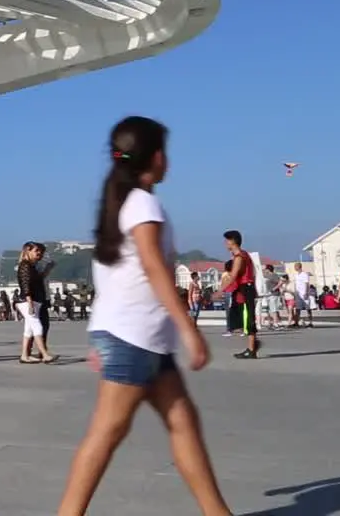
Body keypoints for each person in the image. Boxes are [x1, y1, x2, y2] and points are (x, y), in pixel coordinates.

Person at [58, 116, 229, 516]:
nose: (168, 160)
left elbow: (114, 276)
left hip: (138, 337)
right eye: (165, 152)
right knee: (106, 433)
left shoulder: (121, 202)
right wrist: (191, 331)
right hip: (134, 338)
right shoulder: (142, 203)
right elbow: (153, 268)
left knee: (182, 421)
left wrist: (100, 336)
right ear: (155, 157)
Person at [16, 242, 58, 364]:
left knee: (29, 329)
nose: (39, 254)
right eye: (36, 251)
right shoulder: (25, 266)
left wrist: (48, 268)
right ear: (27, 251)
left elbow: (39, 279)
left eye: (41, 252)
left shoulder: (31, 266)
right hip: (28, 301)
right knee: (37, 326)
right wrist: (29, 302)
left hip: (35, 300)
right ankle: (45, 354)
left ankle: (25, 355)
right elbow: (25, 285)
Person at [222, 230, 260, 359]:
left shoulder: (239, 257)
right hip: (244, 287)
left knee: (248, 317)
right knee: (239, 316)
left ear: (232, 241)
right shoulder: (244, 255)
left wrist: (218, 291)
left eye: (227, 241)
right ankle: (252, 345)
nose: (225, 244)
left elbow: (233, 276)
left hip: (246, 287)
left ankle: (252, 348)